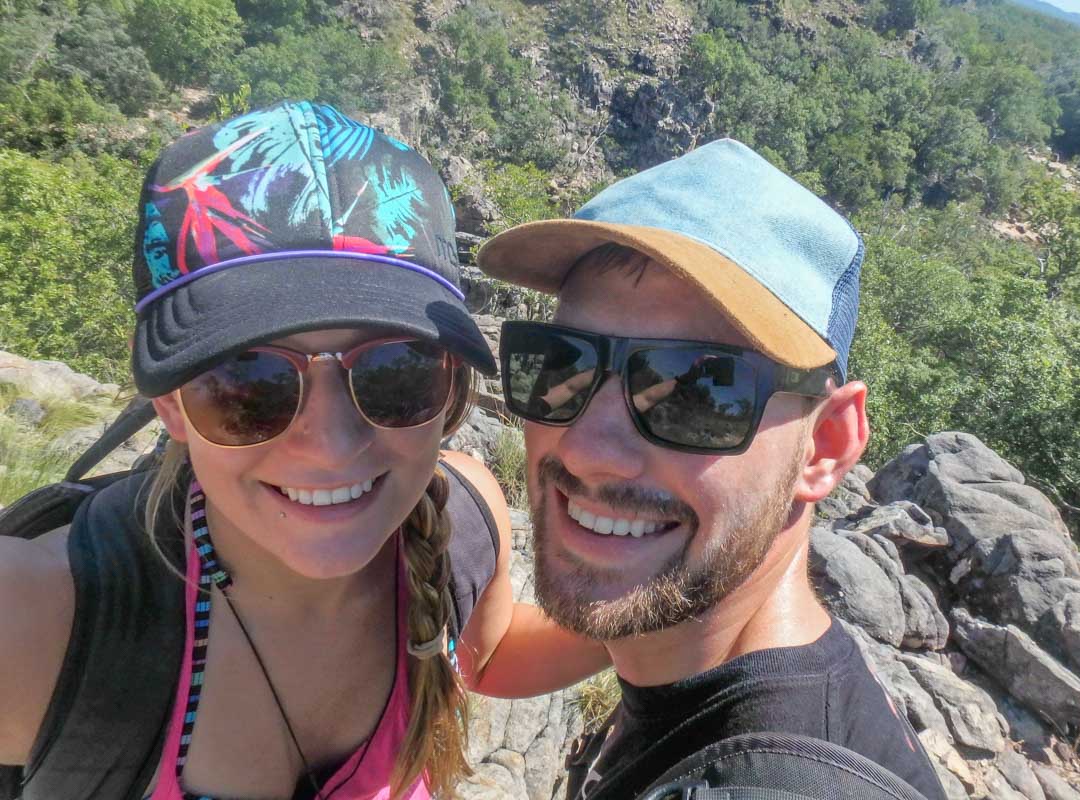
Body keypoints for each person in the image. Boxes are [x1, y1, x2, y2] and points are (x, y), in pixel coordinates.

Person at [0, 101, 607, 800]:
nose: (330, 444)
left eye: (394, 371)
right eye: (246, 381)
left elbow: (490, 652)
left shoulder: (464, 525)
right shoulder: (44, 618)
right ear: (169, 401)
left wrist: (670, 601)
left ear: (452, 385)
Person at [477, 139, 948, 800]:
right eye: (561, 362)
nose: (588, 449)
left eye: (697, 392)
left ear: (826, 446)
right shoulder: (709, 673)